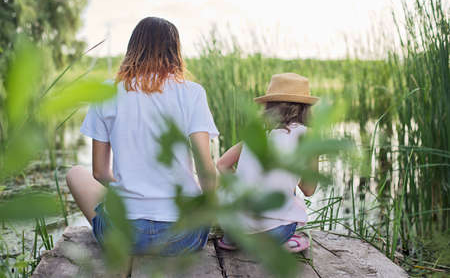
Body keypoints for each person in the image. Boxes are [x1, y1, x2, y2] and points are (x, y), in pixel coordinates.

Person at [66, 17, 219, 256]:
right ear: (175, 52)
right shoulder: (192, 93)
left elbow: (99, 173)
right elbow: (206, 167)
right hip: (183, 238)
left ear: (133, 49)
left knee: (75, 173)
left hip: (123, 237)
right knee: (200, 181)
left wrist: (133, 189)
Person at [216, 73, 318, 252]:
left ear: (269, 106)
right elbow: (309, 190)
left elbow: (222, 164)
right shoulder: (307, 137)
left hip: (234, 228)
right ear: (306, 109)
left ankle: (232, 240)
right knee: (290, 207)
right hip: (272, 232)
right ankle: (282, 242)